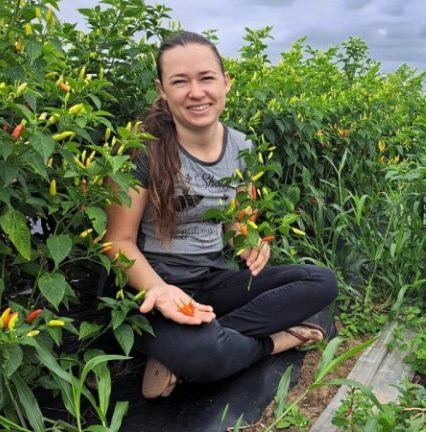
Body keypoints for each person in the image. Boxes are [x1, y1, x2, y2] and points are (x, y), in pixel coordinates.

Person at [104, 31, 338, 399]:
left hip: (213, 283)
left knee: (321, 281)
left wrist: (249, 240)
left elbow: (237, 220)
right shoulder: (141, 150)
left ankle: (200, 343)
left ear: (226, 82)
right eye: (180, 82)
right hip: (156, 286)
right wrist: (161, 292)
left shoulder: (241, 145)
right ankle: (274, 342)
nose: (196, 92)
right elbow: (117, 241)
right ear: (162, 89)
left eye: (206, 78)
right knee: (204, 354)